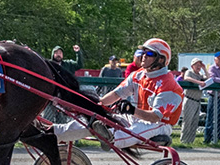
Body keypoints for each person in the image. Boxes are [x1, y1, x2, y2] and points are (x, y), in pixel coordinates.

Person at [53, 38, 182, 150]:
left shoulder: (169, 86)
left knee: (140, 128)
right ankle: (55, 131)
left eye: (149, 53)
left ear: (160, 59)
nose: (143, 56)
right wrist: (96, 107)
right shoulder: (138, 75)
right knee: (94, 119)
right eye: (142, 52)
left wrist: (131, 110)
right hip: (134, 118)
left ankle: (110, 137)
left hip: (159, 125)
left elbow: (154, 117)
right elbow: (116, 95)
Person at [180, 57, 208, 144]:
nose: (199, 66)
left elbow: (208, 77)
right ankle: (183, 141)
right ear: (192, 65)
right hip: (189, 99)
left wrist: (204, 68)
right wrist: (199, 82)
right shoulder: (189, 72)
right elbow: (186, 78)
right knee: (187, 122)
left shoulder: (200, 75)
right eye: (197, 64)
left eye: (200, 64)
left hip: (197, 101)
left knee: (194, 123)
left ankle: (190, 141)